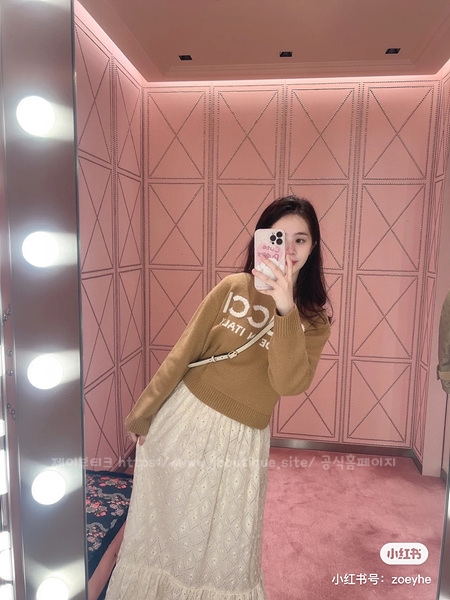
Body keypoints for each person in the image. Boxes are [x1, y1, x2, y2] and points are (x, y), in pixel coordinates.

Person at [105, 195, 331, 600]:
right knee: (169, 527)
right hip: (188, 419)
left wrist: (285, 309)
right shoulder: (233, 288)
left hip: (243, 439)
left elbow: (287, 382)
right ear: (262, 239)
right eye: (280, 237)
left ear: (313, 247)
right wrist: (145, 413)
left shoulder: (313, 322)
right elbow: (184, 352)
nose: (290, 249)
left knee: (227, 543)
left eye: (301, 239)